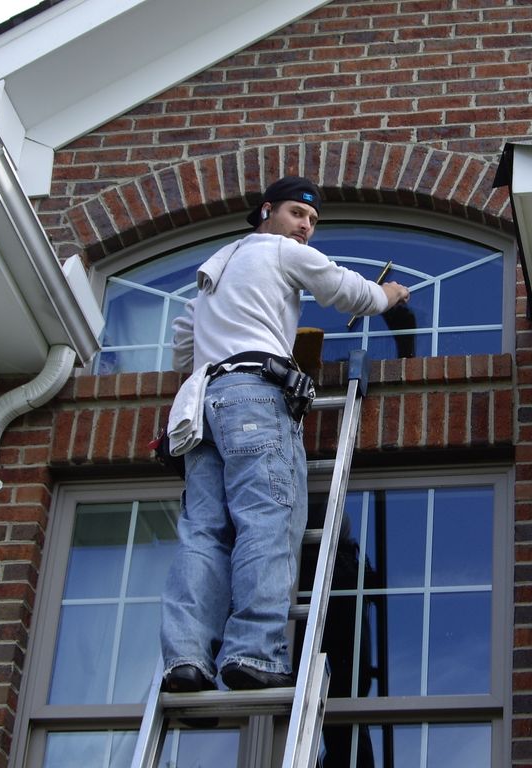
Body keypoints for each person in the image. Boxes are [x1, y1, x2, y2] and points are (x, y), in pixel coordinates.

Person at [159, 176, 410, 693]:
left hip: (203, 405)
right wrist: (387, 295)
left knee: (204, 532)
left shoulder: (217, 269)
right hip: (255, 397)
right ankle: (253, 653)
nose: (305, 227)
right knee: (267, 520)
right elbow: (347, 292)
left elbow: (184, 341)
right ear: (266, 211)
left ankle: (186, 657)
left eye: (313, 221)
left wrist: (220, 354)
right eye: (298, 213)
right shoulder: (276, 250)